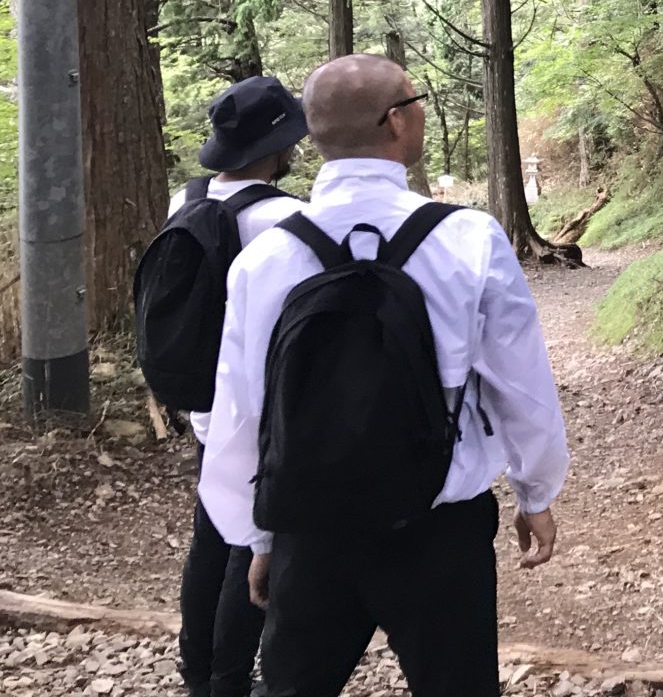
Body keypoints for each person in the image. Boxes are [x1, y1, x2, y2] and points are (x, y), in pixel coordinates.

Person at [199, 54, 570, 697]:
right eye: (416, 100)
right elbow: (520, 383)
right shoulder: (467, 238)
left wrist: (255, 537)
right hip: (438, 525)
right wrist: (534, 492)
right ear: (397, 121)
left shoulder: (266, 256)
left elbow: (240, 409)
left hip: (310, 529)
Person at [167, 76, 309, 697]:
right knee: (251, 544)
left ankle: (196, 668)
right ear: (277, 146)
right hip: (257, 401)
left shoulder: (186, 198)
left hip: (203, 397)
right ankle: (228, 678)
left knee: (210, 534)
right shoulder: (287, 218)